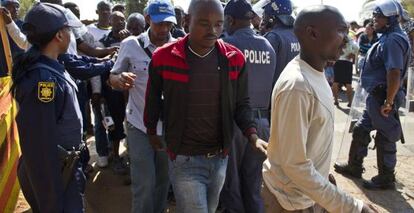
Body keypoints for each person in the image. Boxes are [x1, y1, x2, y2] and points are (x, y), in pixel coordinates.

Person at [142, 0, 268, 212]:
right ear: (186, 21)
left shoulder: (234, 59)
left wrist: (252, 136)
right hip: (184, 159)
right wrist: (151, 129)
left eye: (218, 24)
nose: (213, 31)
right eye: (204, 23)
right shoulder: (164, 57)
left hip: (220, 158)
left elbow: (241, 104)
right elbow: (153, 97)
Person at [261, 5, 378, 213]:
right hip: (290, 202)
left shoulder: (315, 72)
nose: (347, 39)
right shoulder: (297, 86)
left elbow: (311, 141)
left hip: (307, 194)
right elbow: (295, 165)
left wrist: (324, 176)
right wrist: (353, 207)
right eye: (341, 30)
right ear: (313, 33)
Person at [11, 3, 87, 212]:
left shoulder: (51, 69)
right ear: (59, 36)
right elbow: (39, 147)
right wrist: (51, 201)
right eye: (68, 30)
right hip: (54, 175)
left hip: (62, 170)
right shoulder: (43, 80)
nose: (71, 35)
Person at [334, 0, 410, 190]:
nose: (374, 19)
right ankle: (354, 166)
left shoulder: (393, 40)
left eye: (379, 16)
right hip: (376, 97)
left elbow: (394, 72)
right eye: (374, 15)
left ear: (391, 19)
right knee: (361, 129)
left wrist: (389, 101)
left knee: (385, 136)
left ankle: (386, 177)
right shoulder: (387, 37)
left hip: (383, 97)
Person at [109, 1, 176, 211]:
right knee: (144, 184)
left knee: (163, 182)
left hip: (167, 129)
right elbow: (112, 76)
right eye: (159, 24)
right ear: (148, 20)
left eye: (168, 24)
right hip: (139, 126)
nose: (164, 29)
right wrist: (119, 80)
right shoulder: (131, 44)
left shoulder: (178, 47)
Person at [219, 0, 276, 212]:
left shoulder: (227, 44)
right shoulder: (268, 46)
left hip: (236, 124)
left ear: (230, 20)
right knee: (253, 185)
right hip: (262, 124)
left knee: (231, 184)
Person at [91, 11, 128, 173]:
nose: (120, 22)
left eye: (123, 19)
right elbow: (99, 70)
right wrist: (98, 93)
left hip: (130, 91)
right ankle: (116, 156)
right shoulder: (102, 43)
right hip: (111, 92)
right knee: (113, 124)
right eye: (117, 19)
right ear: (110, 21)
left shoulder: (132, 40)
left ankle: (129, 156)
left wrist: (126, 41)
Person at [262, 0, 300, 85]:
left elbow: (263, 72)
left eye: (265, 14)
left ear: (272, 17)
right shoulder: (297, 35)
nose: (263, 17)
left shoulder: (273, 37)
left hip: (276, 91)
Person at [332, 33, 359, 107]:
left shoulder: (336, 36)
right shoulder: (349, 39)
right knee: (348, 83)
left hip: (338, 61)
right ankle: (350, 102)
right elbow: (356, 48)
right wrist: (353, 55)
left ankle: (336, 100)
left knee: (335, 82)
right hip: (347, 62)